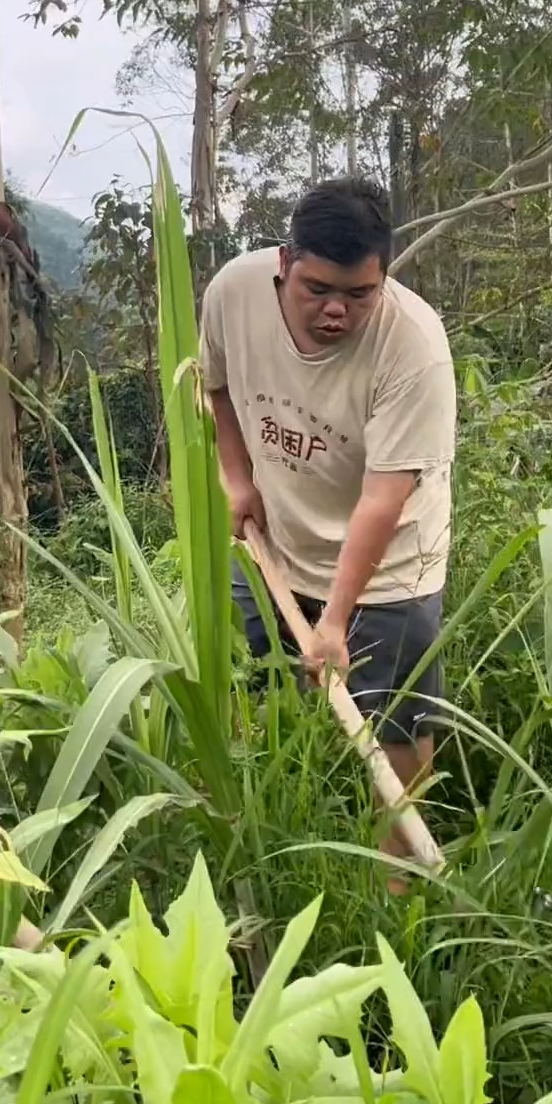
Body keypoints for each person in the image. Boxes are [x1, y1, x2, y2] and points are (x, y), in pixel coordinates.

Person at [199, 176, 456, 871]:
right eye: (317, 289)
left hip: (391, 566)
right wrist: (236, 477)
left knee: (394, 722)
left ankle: (398, 880)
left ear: (384, 280)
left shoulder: (414, 348)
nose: (336, 311)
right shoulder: (233, 292)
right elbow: (216, 383)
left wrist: (336, 620)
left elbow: (384, 499)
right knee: (266, 684)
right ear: (285, 262)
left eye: (358, 294)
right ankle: (279, 833)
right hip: (277, 545)